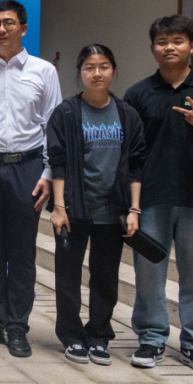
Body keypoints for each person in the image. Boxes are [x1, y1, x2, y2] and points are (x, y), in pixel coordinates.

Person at [0, 0, 61, 358]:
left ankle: (18, 327)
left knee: (21, 253)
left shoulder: (43, 71)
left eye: (8, 22)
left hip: (28, 169)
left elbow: (53, 126)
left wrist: (48, 173)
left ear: (23, 28)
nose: (1, 29)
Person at [125, 16, 193, 375]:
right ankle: (151, 338)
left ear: (192, 46)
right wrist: (131, 204)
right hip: (151, 199)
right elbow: (130, 154)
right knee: (148, 274)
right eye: (162, 42)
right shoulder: (138, 93)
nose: (169, 47)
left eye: (177, 41)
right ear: (152, 49)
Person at [48, 44, 144, 366]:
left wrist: (134, 209)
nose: (97, 73)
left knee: (105, 277)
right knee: (67, 277)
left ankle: (99, 336)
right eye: (89, 67)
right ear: (80, 72)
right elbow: (58, 162)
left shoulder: (127, 114)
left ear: (113, 70)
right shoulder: (66, 112)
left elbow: (136, 165)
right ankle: (72, 336)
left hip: (112, 210)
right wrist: (59, 207)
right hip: (74, 209)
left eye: (103, 66)